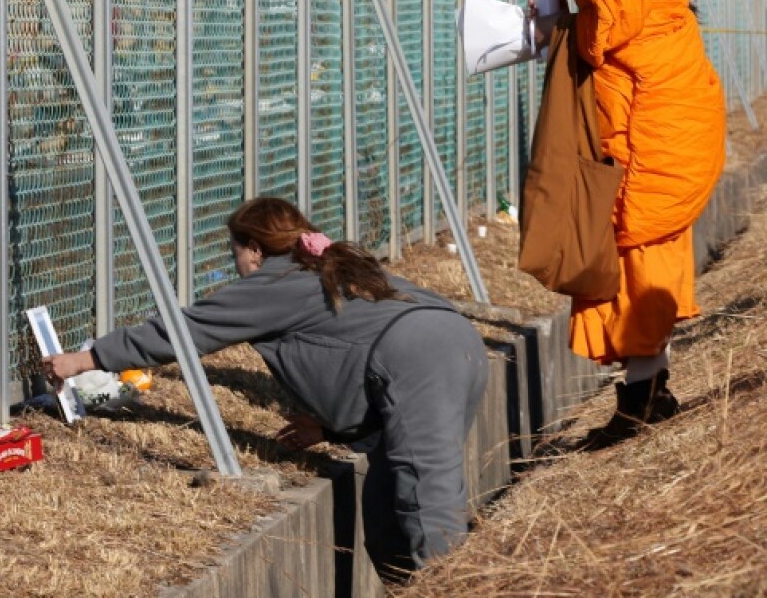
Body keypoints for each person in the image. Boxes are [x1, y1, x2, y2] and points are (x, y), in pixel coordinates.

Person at [43, 197, 489, 576]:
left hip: (418, 360)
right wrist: (332, 429)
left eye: (234, 251)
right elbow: (352, 349)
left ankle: (450, 584)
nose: (237, 264)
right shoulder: (332, 265)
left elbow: (183, 332)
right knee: (389, 502)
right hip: (458, 345)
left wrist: (84, 360)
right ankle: (415, 582)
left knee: (426, 498)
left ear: (254, 249)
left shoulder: (277, 280)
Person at [551, 0, 725, 438]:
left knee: (634, 248)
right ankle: (650, 390)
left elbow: (612, 24)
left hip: (648, 112)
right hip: (673, 98)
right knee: (651, 245)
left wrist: (564, 30)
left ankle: (640, 403)